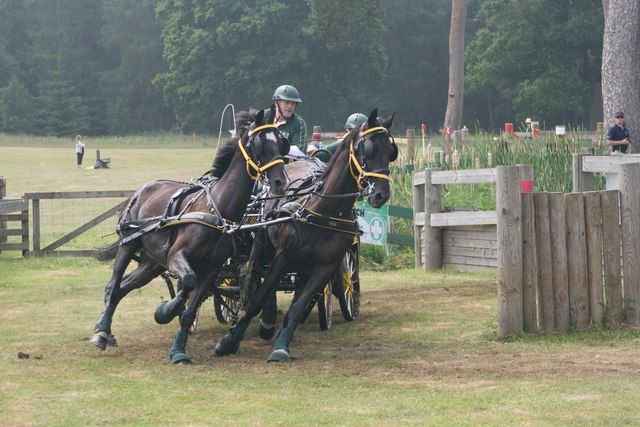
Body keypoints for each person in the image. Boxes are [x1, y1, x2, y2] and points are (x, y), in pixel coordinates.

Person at [268, 84, 308, 157]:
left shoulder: (299, 123)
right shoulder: (262, 116)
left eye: (293, 103)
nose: (290, 106)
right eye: (287, 102)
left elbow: (300, 150)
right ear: (277, 102)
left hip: (287, 166)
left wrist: (274, 148)